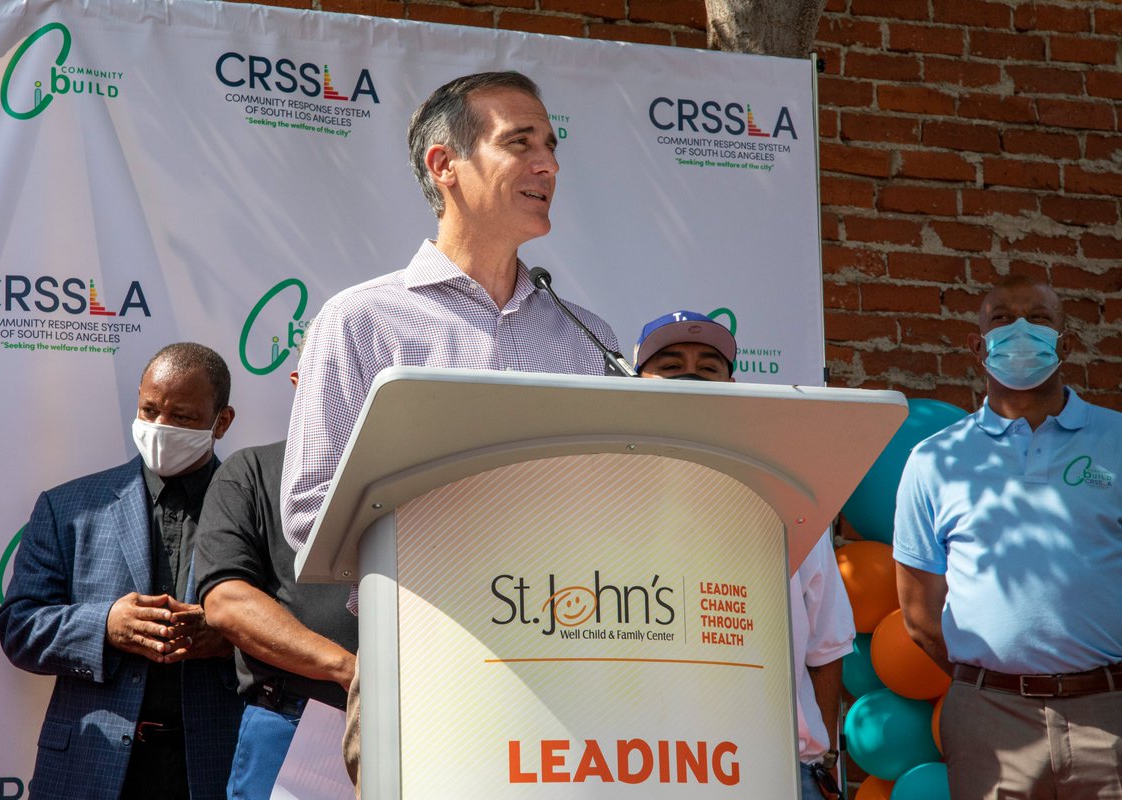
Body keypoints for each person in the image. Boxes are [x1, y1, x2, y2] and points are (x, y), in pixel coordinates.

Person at [281, 71, 621, 795]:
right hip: (425, 657)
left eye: (553, 146)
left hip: (579, 662)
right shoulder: (360, 321)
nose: (549, 165)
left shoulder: (590, 338)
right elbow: (311, 516)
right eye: (520, 143)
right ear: (445, 166)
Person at [894, 275, 1122, 800]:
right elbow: (919, 614)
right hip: (988, 719)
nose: (1021, 331)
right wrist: (990, 683)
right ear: (978, 347)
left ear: (1065, 344)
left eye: (1039, 319)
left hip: (1108, 712)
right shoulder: (934, 460)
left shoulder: (1117, 442)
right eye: (1001, 319)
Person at [0, 343, 244, 800]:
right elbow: (18, 626)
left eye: (182, 417)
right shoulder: (68, 507)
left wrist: (230, 639)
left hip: (215, 766)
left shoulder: (257, 512)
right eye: (149, 410)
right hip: (91, 765)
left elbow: (299, 627)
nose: (160, 428)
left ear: (221, 422)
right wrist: (106, 626)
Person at [636, 310, 854, 800]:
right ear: (635, 382)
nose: (691, 376)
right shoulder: (613, 497)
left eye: (708, 368)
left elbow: (826, 646)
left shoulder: (787, 496)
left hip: (775, 769)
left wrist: (820, 758)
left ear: (733, 383)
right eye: (671, 367)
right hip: (647, 767)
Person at [195, 331, 357, 800]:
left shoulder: (425, 474)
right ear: (298, 381)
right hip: (296, 723)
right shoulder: (249, 473)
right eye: (334, 378)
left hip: (429, 720)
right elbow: (227, 602)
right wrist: (349, 670)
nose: (348, 390)